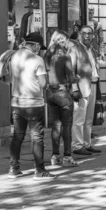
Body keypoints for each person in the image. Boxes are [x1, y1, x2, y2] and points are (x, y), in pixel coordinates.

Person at [7, 33, 55, 180]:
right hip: (34, 104)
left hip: (17, 103)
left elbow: (8, 78)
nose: (39, 49)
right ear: (35, 45)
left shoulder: (13, 57)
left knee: (17, 137)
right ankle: (39, 171)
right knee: (37, 137)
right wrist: (47, 83)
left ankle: (13, 168)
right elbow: (42, 84)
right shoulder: (37, 59)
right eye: (39, 47)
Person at [43, 30, 78, 168]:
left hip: (50, 93)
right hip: (63, 92)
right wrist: (77, 78)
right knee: (67, 126)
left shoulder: (47, 55)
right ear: (63, 41)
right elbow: (71, 77)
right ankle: (67, 157)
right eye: (66, 40)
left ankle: (55, 156)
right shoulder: (65, 56)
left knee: (55, 126)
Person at [70, 26, 101, 156]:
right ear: (79, 35)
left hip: (92, 84)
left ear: (93, 35)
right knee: (79, 118)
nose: (87, 36)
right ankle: (77, 145)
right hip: (81, 87)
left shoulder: (92, 50)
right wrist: (74, 88)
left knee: (88, 119)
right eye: (84, 34)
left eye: (89, 33)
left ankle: (86, 144)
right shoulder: (75, 49)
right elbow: (71, 70)